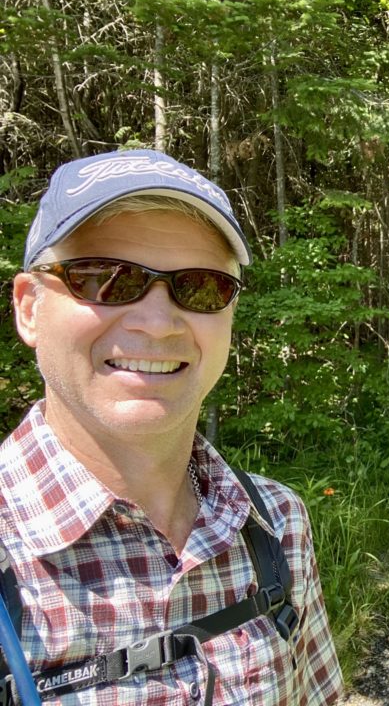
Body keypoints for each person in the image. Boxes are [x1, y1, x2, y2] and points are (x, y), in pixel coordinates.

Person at [2, 149, 343, 704]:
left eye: (201, 287)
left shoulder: (277, 524)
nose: (159, 324)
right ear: (29, 308)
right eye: (104, 278)